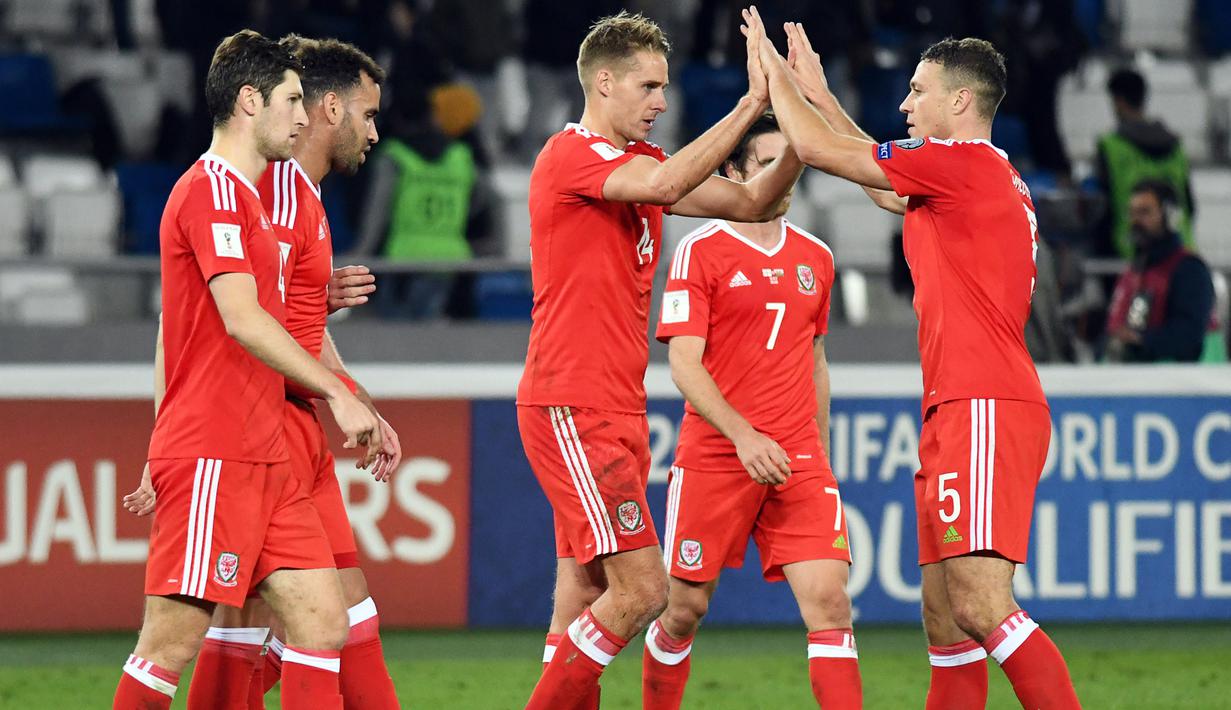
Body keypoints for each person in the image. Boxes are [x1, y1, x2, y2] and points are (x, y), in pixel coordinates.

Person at [743, 8, 1080, 708]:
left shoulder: (961, 167)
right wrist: (822, 95)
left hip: (982, 402)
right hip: (960, 404)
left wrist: (773, 73)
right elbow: (877, 180)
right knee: (945, 619)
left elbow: (812, 148)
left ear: (959, 100)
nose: (904, 103)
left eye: (917, 91)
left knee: (983, 605)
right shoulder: (970, 177)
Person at [518, 11, 803, 709]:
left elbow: (751, 198)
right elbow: (666, 188)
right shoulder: (571, 154)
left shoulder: (640, 163)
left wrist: (797, 117)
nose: (661, 103)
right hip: (571, 401)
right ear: (603, 82)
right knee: (644, 589)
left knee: (583, 592)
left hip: (613, 405)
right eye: (649, 87)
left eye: (664, 88)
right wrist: (746, 104)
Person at [111, 30, 381, 710]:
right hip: (216, 451)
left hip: (264, 454)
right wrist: (338, 393)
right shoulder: (210, 193)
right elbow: (240, 319)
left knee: (323, 625)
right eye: (292, 101)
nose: (302, 116)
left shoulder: (255, 204)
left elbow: (203, 325)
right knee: (168, 648)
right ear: (249, 101)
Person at [643, 113, 860, 710]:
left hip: (798, 459)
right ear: (734, 172)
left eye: (787, 162)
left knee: (830, 603)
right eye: (765, 163)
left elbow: (815, 362)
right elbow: (684, 364)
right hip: (718, 455)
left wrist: (822, 456)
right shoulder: (700, 252)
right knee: (684, 609)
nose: (780, 176)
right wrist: (743, 436)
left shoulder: (816, 257)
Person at [1105, 179, 1218, 363]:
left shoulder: (1189, 269)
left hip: (1185, 383)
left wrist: (1140, 341)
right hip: (1139, 379)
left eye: (1145, 212)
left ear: (1170, 216)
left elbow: (1189, 334)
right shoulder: (1134, 270)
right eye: (1132, 213)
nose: (1136, 221)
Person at [1095, 67, 1195, 261]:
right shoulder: (1176, 146)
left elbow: (1104, 209)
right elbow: (1189, 206)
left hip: (1130, 253)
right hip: (1180, 250)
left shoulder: (1111, 146)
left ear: (1118, 101)